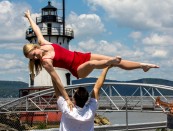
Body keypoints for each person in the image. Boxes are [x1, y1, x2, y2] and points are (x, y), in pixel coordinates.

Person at [23, 10, 159, 108]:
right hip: (76, 69)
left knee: (118, 62)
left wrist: (29, 17)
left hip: (79, 55)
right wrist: (67, 98)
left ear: (35, 47)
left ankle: (142, 66)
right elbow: (57, 80)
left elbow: (36, 29)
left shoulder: (43, 42)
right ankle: (110, 62)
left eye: (34, 54)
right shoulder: (46, 62)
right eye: (33, 58)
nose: (36, 57)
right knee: (94, 63)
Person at [55, 66, 111, 131]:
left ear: (74, 99)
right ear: (86, 99)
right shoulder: (91, 110)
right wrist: (106, 68)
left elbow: (57, 90)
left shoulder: (67, 109)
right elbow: (97, 87)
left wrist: (51, 70)